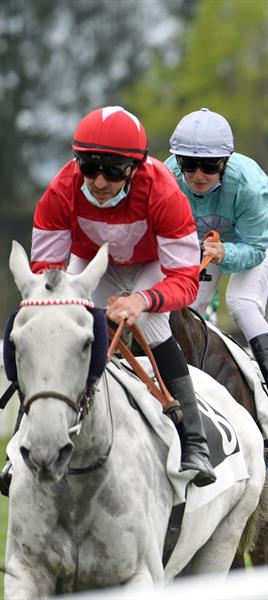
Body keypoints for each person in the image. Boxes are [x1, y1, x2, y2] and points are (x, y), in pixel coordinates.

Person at [8, 105, 217, 493]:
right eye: (89, 167)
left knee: (152, 324)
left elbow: (185, 282)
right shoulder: (58, 192)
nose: (100, 181)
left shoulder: (166, 194)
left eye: (113, 171)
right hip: (94, 261)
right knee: (54, 323)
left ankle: (195, 440)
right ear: (77, 162)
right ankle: (23, 435)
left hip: (153, 263)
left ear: (134, 169)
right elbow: (46, 275)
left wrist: (143, 300)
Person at [166, 108, 268, 434]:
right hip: (204, 238)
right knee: (184, 307)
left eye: (210, 166)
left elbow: (255, 249)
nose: (198, 174)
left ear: (225, 162)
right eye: (188, 163)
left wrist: (225, 253)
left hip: (257, 234)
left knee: (241, 302)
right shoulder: (166, 178)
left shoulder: (250, 186)